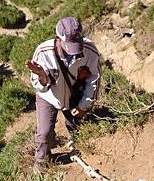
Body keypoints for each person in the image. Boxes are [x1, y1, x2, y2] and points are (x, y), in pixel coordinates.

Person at [26, 17, 101, 170]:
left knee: (76, 123)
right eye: (69, 46)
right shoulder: (43, 52)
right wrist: (42, 77)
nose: (73, 51)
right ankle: (41, 164)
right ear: (58, 39)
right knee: (44, 132)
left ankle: (80, 147)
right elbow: (39, 87)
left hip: (75, 93)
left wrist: (84, 105)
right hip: (49, 96)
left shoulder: (89, 50)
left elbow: (94, 78)